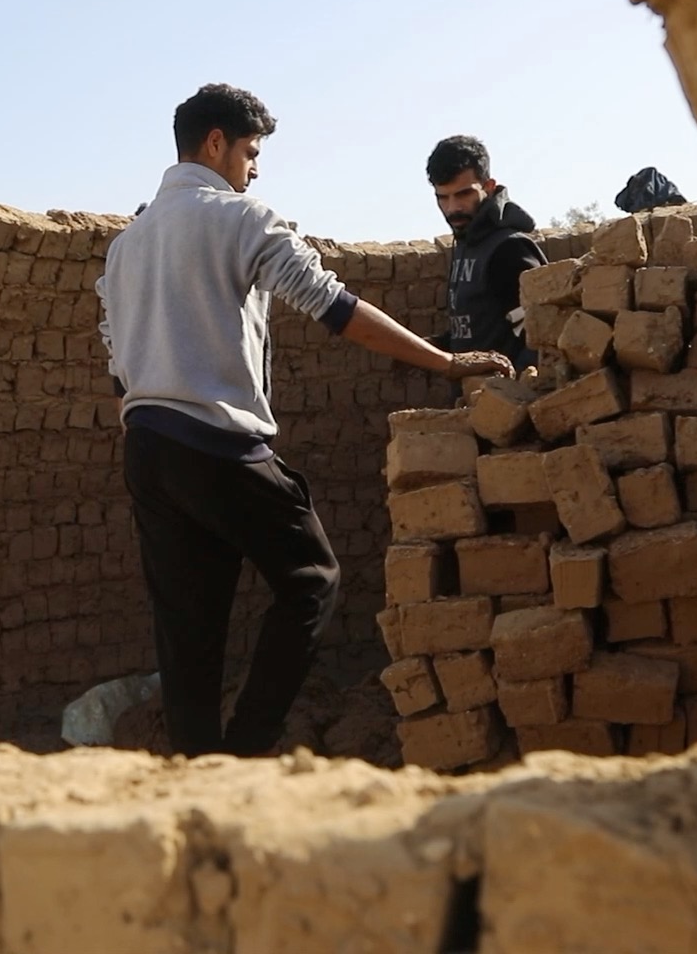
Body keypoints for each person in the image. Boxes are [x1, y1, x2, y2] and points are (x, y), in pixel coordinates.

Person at [97, 84, 513, 757]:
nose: (254, 168)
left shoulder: (128, 243)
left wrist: (141, 410)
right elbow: (334, 306)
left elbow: (114, 345)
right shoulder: (241, 219)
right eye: (250, 152)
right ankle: (250, 746)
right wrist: (444, 363)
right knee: (312, 580)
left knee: (188, 633)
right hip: (220, 445)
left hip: (149, 450)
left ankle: (199, 779)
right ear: (215, 144)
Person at [426, 135, 548, 371]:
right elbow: (483, 329)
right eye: (443, 198)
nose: (452, 208)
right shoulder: (466, 243)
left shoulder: (508, 250)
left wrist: (508, 394)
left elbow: (540, 336)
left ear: (488, 187)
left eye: (463, 195)